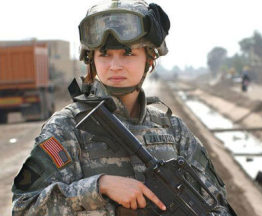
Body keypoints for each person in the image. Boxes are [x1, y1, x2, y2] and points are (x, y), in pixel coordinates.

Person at [11, 0, 236, 215]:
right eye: (105, 55)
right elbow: (24, 207)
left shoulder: (174, 131)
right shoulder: (67, 129)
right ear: (92, 60)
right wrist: (99, 188)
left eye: (128, 53)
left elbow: (217, 204)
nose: (115, 65)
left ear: (149, 59)